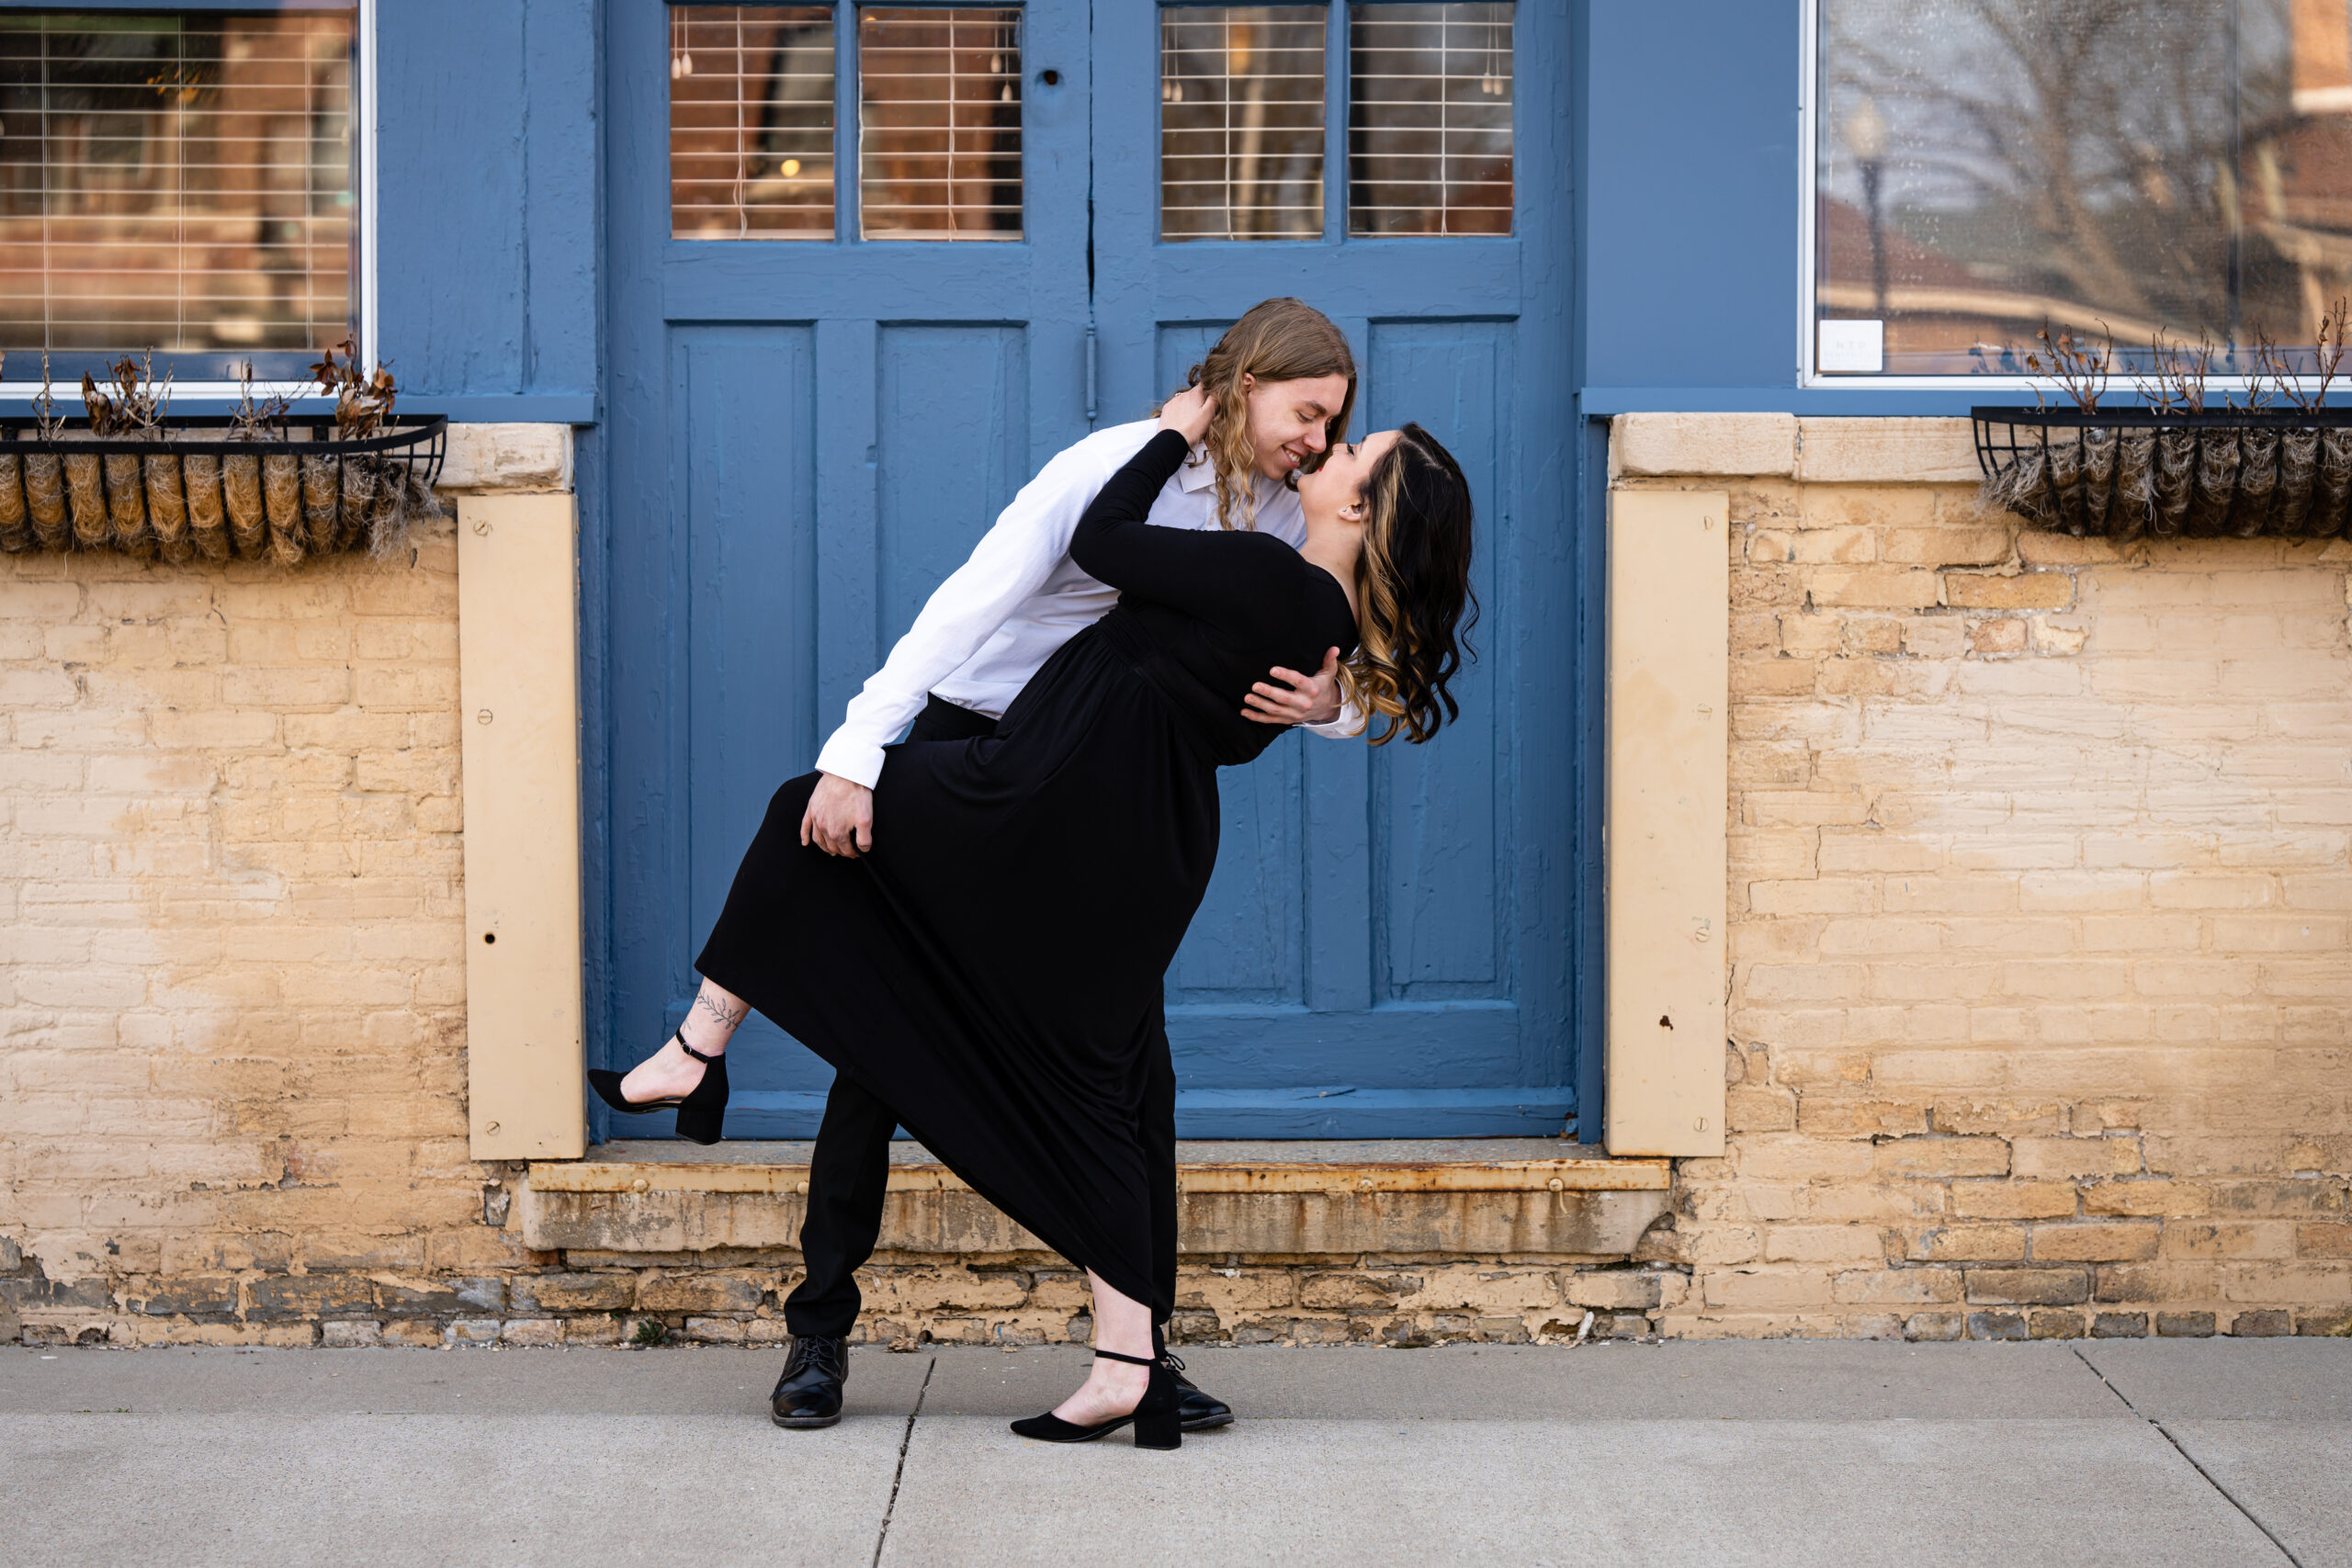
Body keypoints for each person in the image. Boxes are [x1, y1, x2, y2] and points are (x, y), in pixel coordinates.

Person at [606, 378, 1476, 1449]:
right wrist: (861, 749)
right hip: (1007, 762)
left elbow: (1243, 623)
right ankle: (854, 1333)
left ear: (1356, 507)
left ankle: (1132, 1353)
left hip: (1052, 795)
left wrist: (1330, 700)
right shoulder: (1156, 494)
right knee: (932, 1068)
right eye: (1312, 415)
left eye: (1341, 436)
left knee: (1112, 1087)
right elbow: (967, 608)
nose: (1320, 442)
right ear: (1246, 393)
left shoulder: (1266, 539)